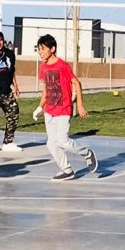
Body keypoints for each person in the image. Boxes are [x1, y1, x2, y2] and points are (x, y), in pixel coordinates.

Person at [35, 34, 98, 181]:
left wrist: (80, 105)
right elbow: (46, 90)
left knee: (63, 140)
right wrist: (39, 107)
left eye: (43, 49)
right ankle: (67, 170)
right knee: (51, 143)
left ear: (52, 49)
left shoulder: (63, 66)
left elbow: (77, 83)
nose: (40, 52)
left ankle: (87, 153)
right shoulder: (43, 67)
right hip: (49, 110)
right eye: (38, 49)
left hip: (63, 109)